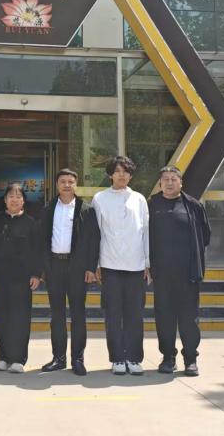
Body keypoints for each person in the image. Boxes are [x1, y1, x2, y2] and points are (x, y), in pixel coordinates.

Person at [148, 165, 211, 377]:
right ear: (160, 183)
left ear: (181, 182)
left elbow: (205, 236)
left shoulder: (193, 205)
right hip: (161, 273)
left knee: (189, 318)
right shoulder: (151, 205)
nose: (169, 182)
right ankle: (168, 357)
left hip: (188, 273)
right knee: (164, 317)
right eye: (165, 179)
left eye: (173, 179)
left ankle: (190, 359)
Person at [92, 156, 151, 376]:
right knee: (113, 314)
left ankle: (134, 358)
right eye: (117, 171)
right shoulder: (100, 198)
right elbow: (97, 233)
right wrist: (97, 264)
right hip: (110, 265)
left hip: (136, 266)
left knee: (135, 315)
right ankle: (117, 358)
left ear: (131, 175)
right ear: (110, 174)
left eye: (125, 171)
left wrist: (147, 262)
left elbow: (145, 232)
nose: (121, 175)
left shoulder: (139, 199)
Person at [40, 168, 99, 376]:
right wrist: (43, 268)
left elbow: (94, 240)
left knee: (78, 314)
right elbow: (41, 239)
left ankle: (78, 359)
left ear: (76, 185)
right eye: (63, 181)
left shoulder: (86, 210)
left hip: (78, 268)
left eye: (70, 181)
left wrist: (91, 268)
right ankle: (59, 358)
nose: (66, 185)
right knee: (56, 314)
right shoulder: (48, 209)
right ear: (57, 185)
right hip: (54, 266)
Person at [0, 183, 42, 374]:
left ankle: (19, 359)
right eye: (11, 196)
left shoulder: (31, 223)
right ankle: (3, 357)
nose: (14, 200)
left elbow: (37, 250)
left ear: (23, 201)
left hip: (23, 278)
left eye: (18, 196)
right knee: (1, 316)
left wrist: (36, 274)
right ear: (5, 200)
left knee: (20, 318)